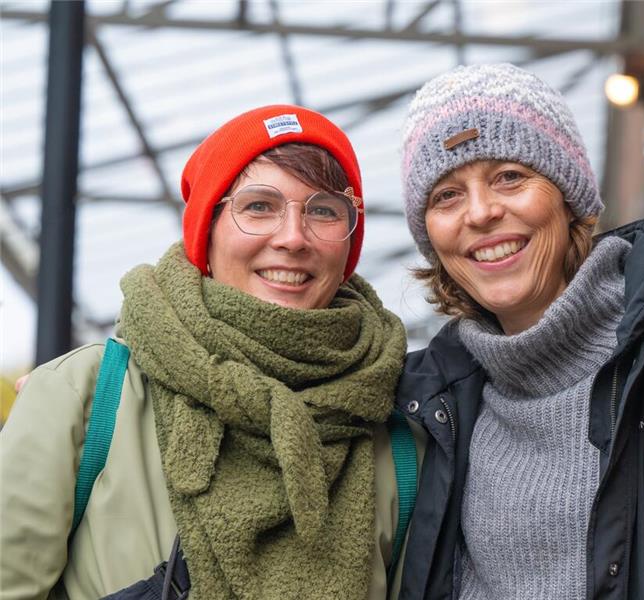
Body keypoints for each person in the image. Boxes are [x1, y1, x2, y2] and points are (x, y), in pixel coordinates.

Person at [393, 63, 644, 599]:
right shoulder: (429, 403)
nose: (481, 213)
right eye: (446, 195)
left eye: (509, 177)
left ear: (569, 197)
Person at [0, 105, 415, 599]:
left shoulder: (400, 427)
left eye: (324, 210)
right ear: (207, 228)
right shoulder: (86, 393)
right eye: (259, 206)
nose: (292, 238)